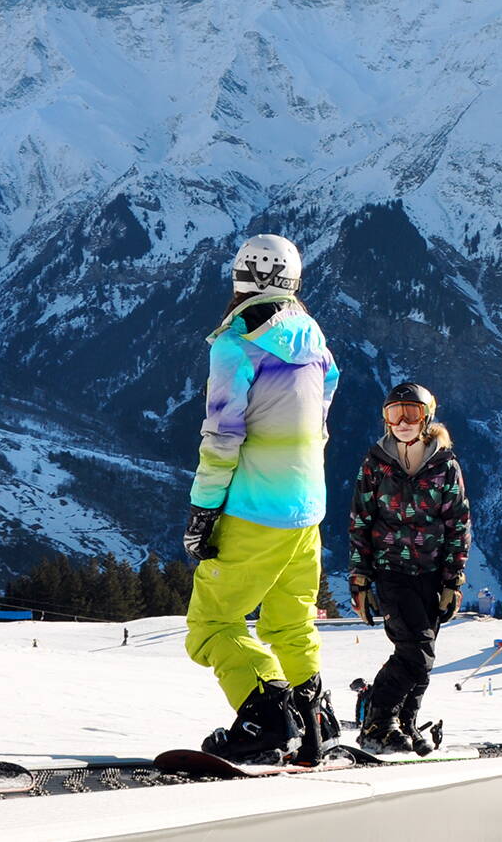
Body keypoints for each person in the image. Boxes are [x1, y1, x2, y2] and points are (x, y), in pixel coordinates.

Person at [182, 234, 341, 765]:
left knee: (212, 626)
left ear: (239, 280)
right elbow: (324, 407)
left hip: (254, 510)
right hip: (306, 510)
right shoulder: (313, 337)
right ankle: (315, 721)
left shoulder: (237, 342)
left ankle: (267, 717)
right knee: (291, 623)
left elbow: (223, 436)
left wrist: (204, 509)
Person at [348, 382, 472, 754]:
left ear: (426, 417)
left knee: (424, 657)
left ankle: (404, 723)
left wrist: (453, 580)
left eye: (411, 413)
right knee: (414, 653)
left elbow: (458, 523)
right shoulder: (375, 463)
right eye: (394, 413)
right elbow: (360, 520)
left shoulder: (444, 464)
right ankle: (378, 723)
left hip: (431, 572)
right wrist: (360, 578)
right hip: (391, 570)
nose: (402, 421)